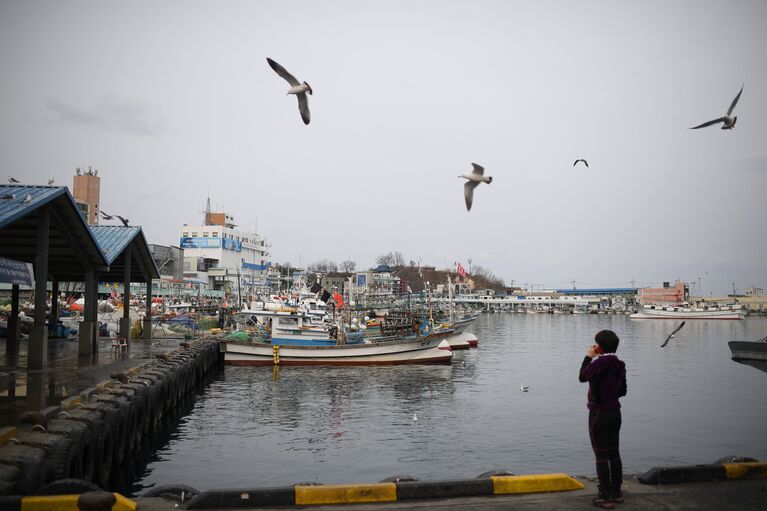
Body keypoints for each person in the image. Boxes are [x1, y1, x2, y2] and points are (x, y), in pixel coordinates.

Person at [579, 329, 627, 509]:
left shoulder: (599, 364)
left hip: (599, 413)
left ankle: (605, 495)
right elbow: (622, 391)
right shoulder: (620, 364)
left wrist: (588, 357)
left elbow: (582, 377)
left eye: (596, 344)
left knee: (601, 456)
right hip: (615, 412)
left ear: (599, 347)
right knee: (614, 453)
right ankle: (617, 491)